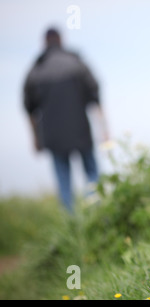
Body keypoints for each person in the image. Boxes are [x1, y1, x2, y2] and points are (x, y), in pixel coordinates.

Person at [23, 27, 108, 213]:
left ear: (44, 42)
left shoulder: (36, 70)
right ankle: (98, 215)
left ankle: (72, 225)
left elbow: (29, 108)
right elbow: (95, 95)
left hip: (53, 136)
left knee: (64, 181)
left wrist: (36, 138)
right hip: (80, 131)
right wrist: (104, 129)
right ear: (61, 40)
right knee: (92, 174)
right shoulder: (76, 63)